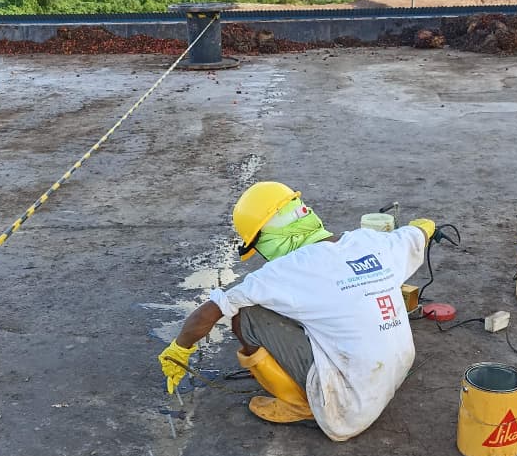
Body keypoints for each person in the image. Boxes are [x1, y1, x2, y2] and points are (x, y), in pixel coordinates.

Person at [157, 182, 435, 442]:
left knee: (246, 314)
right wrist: (424, 227)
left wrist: (179, 348)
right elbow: (420, 232)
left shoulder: (288, 268)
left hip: (346, 407)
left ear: (269, 235)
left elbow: (211, 311)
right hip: (391, 374)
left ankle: (301, 405)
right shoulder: (371, 241)